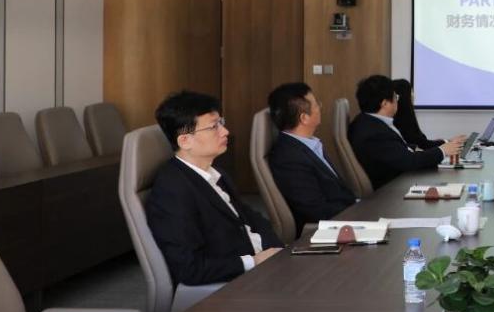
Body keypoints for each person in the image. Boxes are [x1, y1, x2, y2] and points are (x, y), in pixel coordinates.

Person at [146, 91, 282, 285]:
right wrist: (253, 261)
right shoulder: (172, 191)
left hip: (264, 266)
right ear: (185, 141)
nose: (225, 131)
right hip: (233, 284)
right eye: (213, 127)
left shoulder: (214, 172)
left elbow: (253, 219)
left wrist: (277, 252)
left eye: (221, 123)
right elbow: (189, 268)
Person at [265, 82, 358, 236]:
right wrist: (360, 212)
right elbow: (316, 211)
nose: (320, 107)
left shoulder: (308, 144)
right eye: (316, 105)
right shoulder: (289, 158)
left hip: (347, 215)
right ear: (304, 118)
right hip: (329, 231)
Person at [348, 75, 466, 187]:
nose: (397, 101)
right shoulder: (374, 133)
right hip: (393, 190)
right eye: (396, 97)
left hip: (401, 180)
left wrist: (416, 148)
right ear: (385, 104)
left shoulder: (368, 122)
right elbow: (409, 162)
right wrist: (443, 151)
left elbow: (397, 152)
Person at [390, 78, 447, 150]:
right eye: (411, 92)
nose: (413, 96)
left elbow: (421, 142)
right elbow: (422, 144)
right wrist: (446, 142)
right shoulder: (404, 120)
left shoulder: (397, 118)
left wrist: (444, 142)